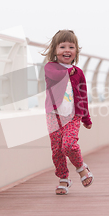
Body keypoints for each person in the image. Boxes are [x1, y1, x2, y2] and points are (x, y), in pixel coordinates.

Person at [42, 30, 94, 195]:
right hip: (54, 116)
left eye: (71, 47)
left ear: (76, 51)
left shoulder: (78, 72)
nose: (67, 50)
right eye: (62, 46)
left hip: (73, 116)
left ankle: (81, 168)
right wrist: (66, 72)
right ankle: (63, 178)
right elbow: (55, 75)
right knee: (57, 150)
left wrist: (86, 118)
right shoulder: (50, 67)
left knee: (69, 145)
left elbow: (83, 95)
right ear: (55, 50)